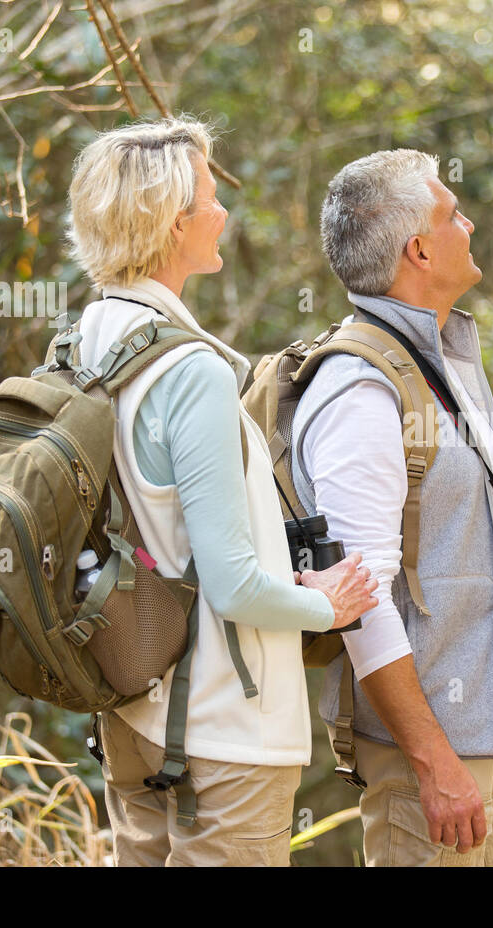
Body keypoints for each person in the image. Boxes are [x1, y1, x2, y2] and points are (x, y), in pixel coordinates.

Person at [65, 116, 377, 866]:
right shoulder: (189, 372)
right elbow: (233, 586)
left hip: (131, 715)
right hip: (223, 735)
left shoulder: (85, 341)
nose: (223, 212)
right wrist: (326, 606)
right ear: (175, 225)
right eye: (210, 198)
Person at [289, 149, 493, 866]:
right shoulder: (361, 389)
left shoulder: (444, 358)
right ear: (418, 249)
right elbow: (360, 597)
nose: (471, 222)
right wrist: (431, 761)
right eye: (453, 213)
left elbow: (435, 538)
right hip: (432, 752)